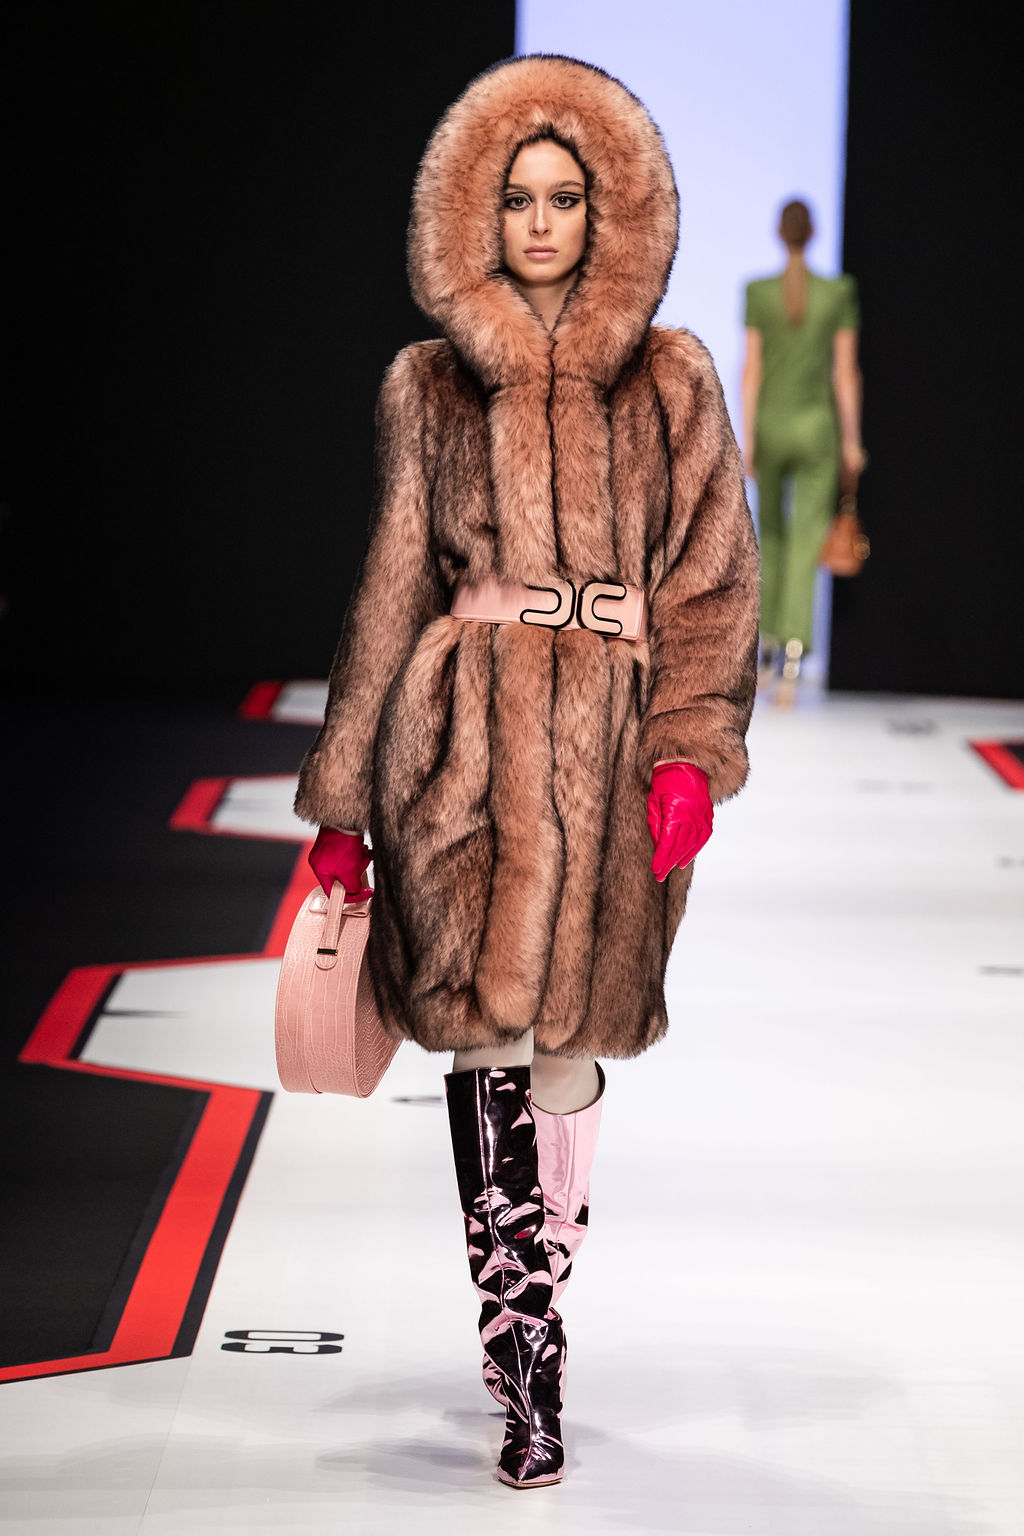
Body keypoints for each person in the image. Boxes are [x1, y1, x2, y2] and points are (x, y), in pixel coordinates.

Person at [292, 55, 759, 1489]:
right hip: (463, 746)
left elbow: (712, 585)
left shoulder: (673, 380)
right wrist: (348, 802)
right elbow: (390, 589)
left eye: (564, 197)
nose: (542, 223)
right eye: (518, 200)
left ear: (606, 209)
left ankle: (543, 1265)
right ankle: (525, 1366)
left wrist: (689, 752)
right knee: (483, 1041)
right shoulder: (428, 387)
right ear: (478, 215)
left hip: (611, 754)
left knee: (566, 1052)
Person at [741, 198, 865, 683]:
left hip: (771, 425)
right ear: (812, 234)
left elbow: (752, 370)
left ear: (779, 233)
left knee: (770, 533)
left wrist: (748, 437)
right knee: (804, 537)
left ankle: (768, 645)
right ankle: (793, 648)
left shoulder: (759, 292)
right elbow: (845, 374)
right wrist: (852, 441)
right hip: (816, 429)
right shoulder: (837, 293)